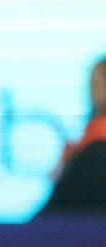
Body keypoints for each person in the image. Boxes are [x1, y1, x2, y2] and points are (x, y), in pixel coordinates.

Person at [40, 57, 106, 215]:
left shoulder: (97, 144)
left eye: (98, 84)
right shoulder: (88, 131)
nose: (92, 91)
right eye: (91, 84)